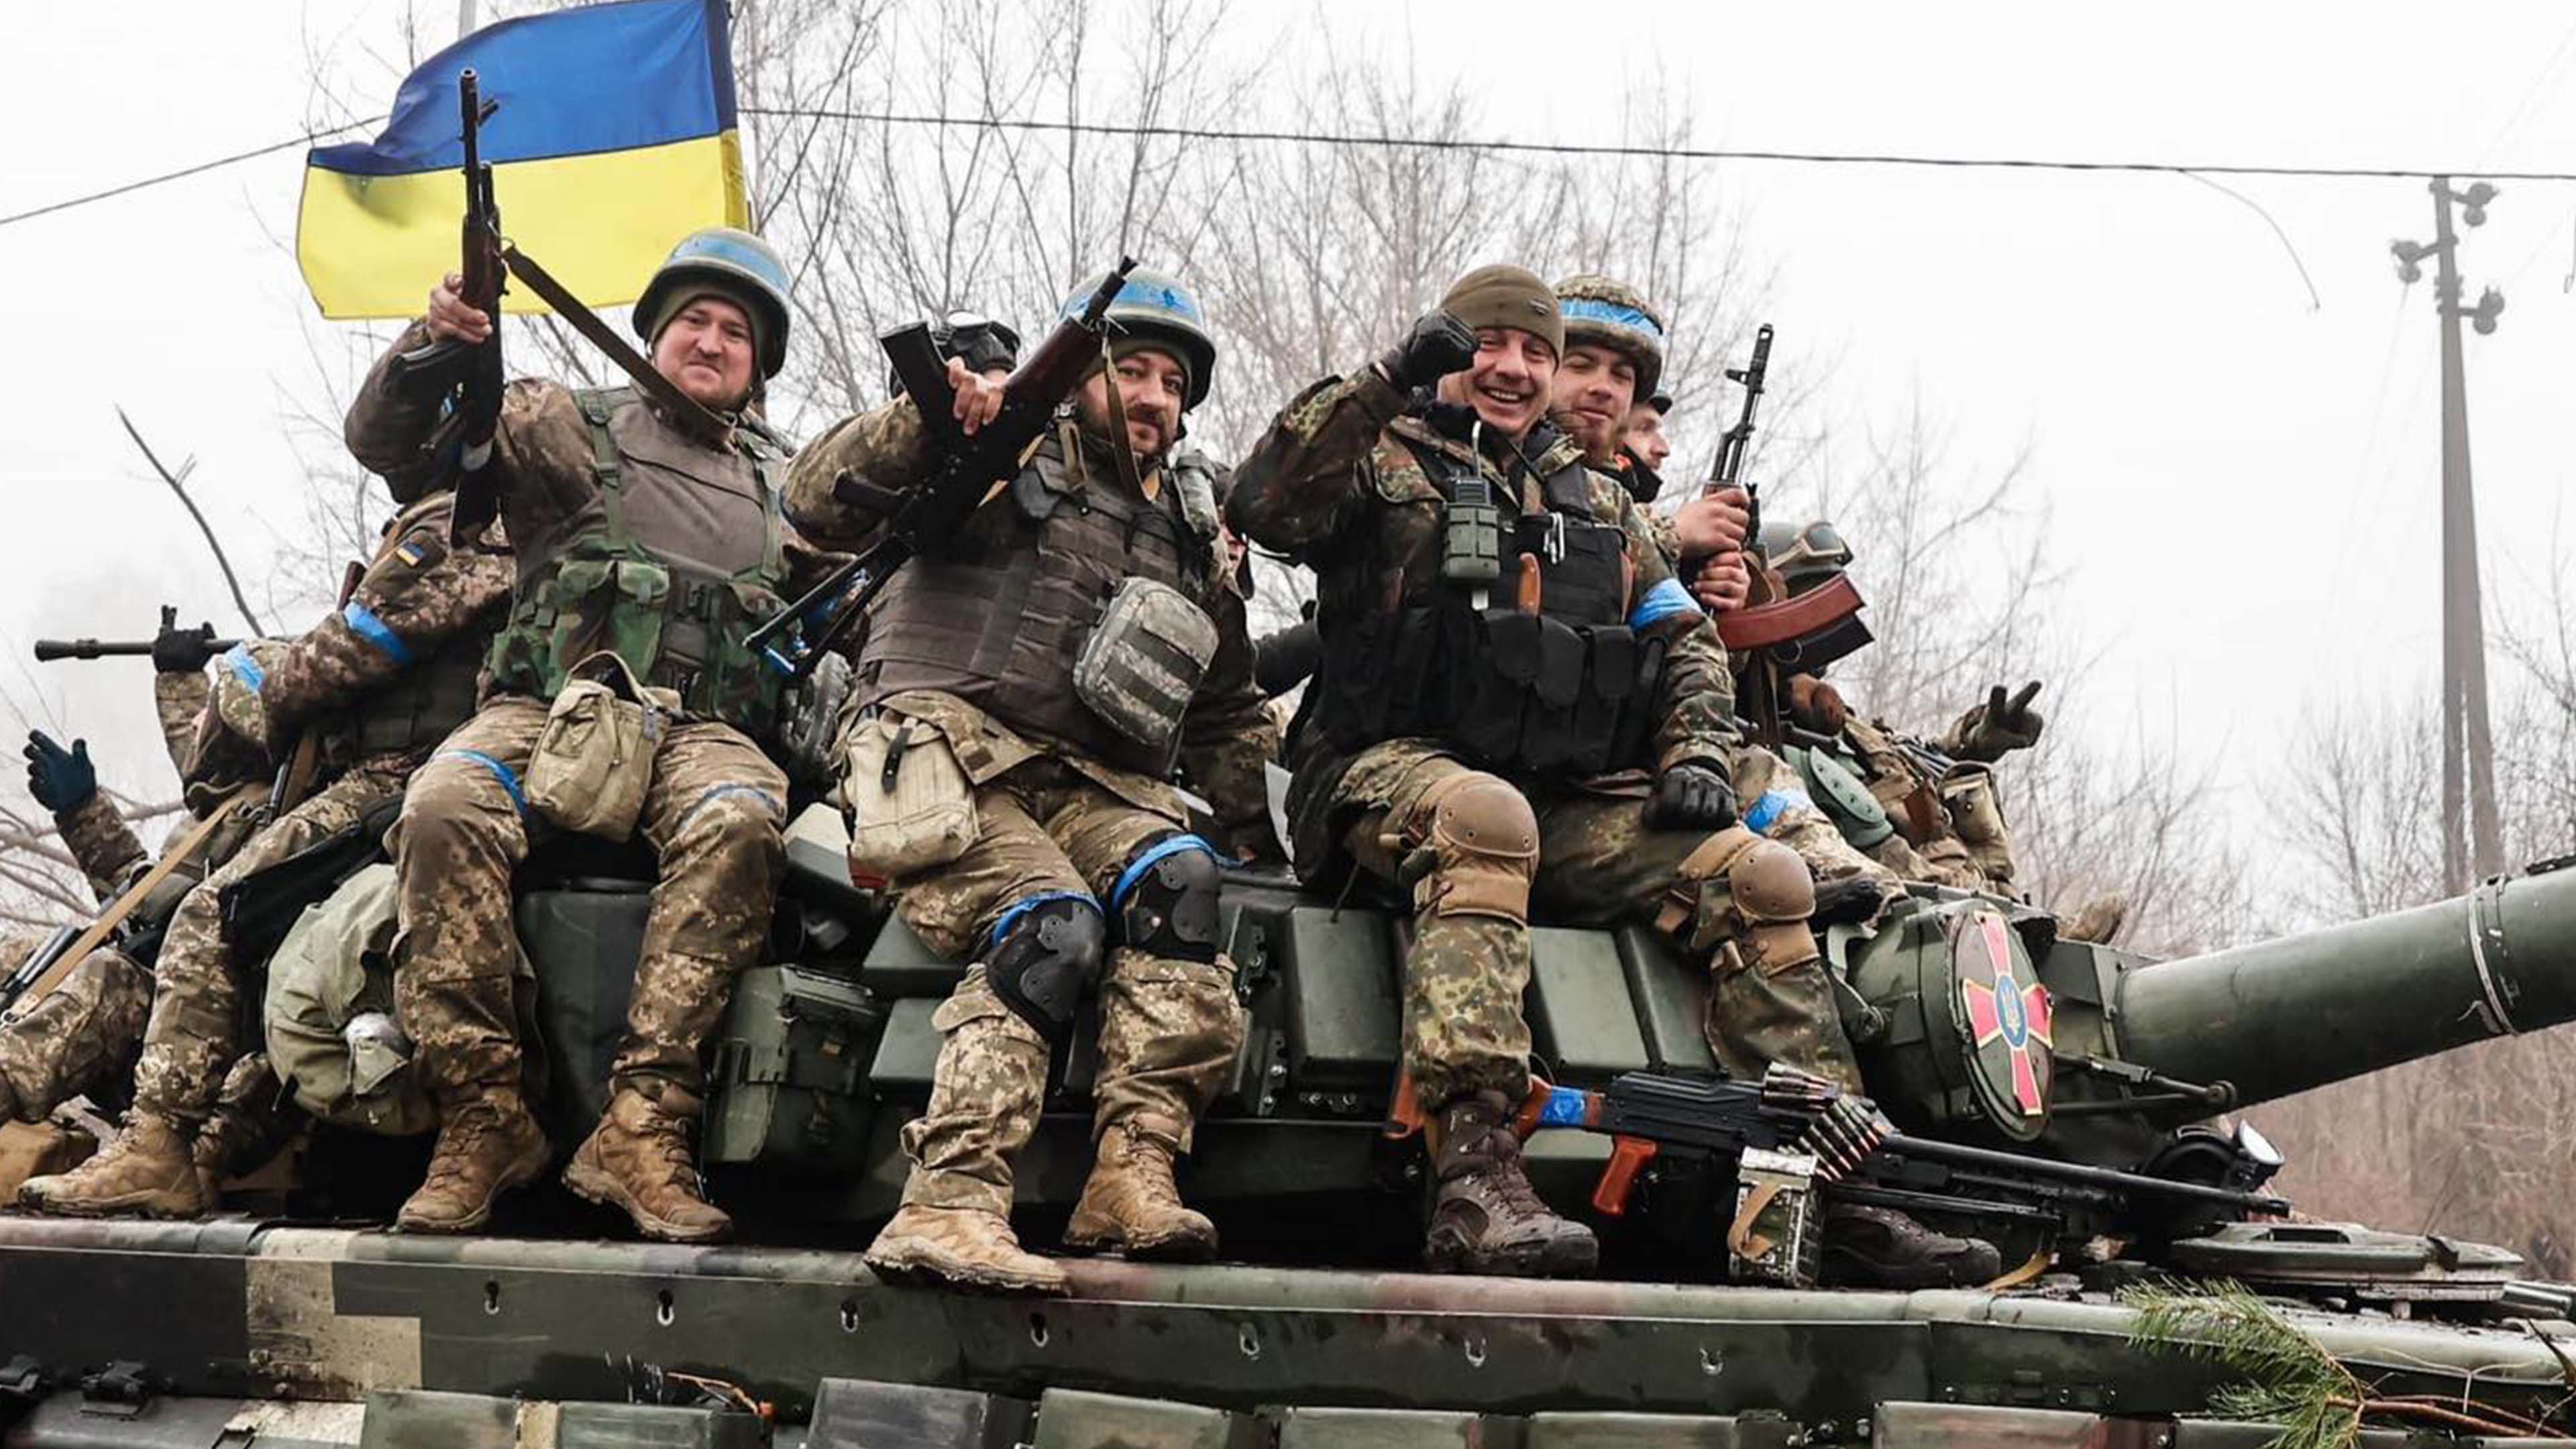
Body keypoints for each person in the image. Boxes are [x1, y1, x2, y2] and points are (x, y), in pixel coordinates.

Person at [1229, 264, 1993, 1287]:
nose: (1513, 368)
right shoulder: (1382, 456)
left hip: (1562, 797)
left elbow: (1684, 639)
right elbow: (1265, 504)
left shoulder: (1594, 498)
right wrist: (1384, 376)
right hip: (1383, 771)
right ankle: (1474, 1172)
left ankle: (1827, 1191)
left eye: (1535, 352)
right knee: (1486, 818)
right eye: (1489, 344)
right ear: (1451, 350)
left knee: (1763, 877)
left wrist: (1697, 755)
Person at [784, 268, 1275, 1295]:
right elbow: (814, 496)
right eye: (1133, 371)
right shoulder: (997, 452)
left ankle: (1131, 1173)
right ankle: (949, 1199)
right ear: (1082, 373)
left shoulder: (1188, 523)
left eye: (1174, 383)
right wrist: (930, 424)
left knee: (1181, 883)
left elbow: (1224, 703)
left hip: (1089, 781)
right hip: (941, 752)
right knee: (1051, 923)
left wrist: (1261, 828)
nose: (1154, 398)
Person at [343, 227, 826, 1242]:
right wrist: (436, 344)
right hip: (548, 710)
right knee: (442, 807)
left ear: (760, 363)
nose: (711, 341)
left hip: (699, 730)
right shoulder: (560, 423)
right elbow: (387, 445)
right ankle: (484, 1118)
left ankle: (643, 1128)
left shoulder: (785, 487)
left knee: (742, 822)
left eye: (736, 331)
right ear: (653, 334)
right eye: (693, 320)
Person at [19, 488, 513, 1216]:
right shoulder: (246, 812)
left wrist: (255, 679)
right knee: (106, 962)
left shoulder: (304, 812)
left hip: (247, 1052)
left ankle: (174, 1153)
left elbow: (195, 898)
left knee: (195, 941)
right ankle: (161, 1148)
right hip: (176, 1027)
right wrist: (85, 811)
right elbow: (149, 894)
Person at [1550, 276, 1896, 924]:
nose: (1602, 387)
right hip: (1533, 779)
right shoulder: (1509, 471)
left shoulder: (1610, 504)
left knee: (1757, 772)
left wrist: (1714, 602)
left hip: (1619, 747)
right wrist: (1673, 535)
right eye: (1581, 364)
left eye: (1620, 376)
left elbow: (1680, 646)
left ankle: (1882, 905)